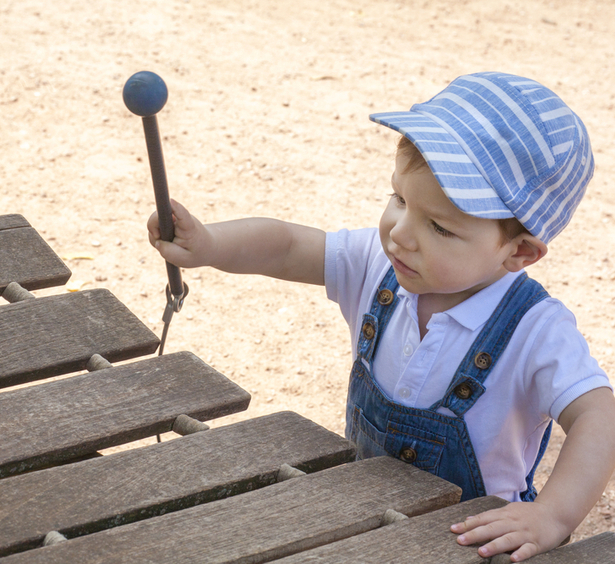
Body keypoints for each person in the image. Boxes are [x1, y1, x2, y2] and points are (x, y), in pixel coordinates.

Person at [147, 71, 615, 562]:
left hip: (471, 544)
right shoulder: (380, 266)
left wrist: (553, 516)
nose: (400, 234)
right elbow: (287, 247)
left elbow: (599, 414)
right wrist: (211, 244)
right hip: (362, 521)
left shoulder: (535, 329)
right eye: (399, 200)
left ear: (519, 252)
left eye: (439, 227)